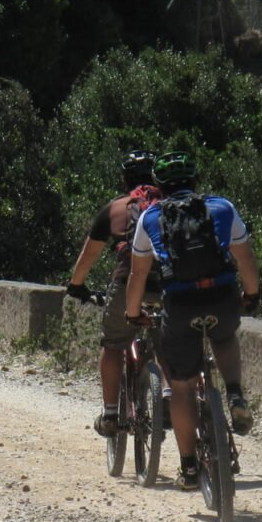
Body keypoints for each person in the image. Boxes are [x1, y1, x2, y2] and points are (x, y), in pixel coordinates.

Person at [124, 152, 261, 490]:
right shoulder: (223, 207)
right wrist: (252, 295)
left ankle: (188, 468)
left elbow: (138, 274)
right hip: (222, 295)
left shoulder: (150, 217)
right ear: (195, 181)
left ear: (159, 186)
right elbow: (245, 258)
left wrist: (132, 312)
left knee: (182, 387)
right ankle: (234, 395)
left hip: (180, 303)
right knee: (225, 337)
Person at [65, 149, 161, 436]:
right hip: (169, 282)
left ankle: (109, 414)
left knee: (113, 344)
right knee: (172, 339)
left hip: (127, 281)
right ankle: (167, 399)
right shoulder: (170, 205)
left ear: (124, 179)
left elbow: (89, 254)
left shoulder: (116, 208)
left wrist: (76, 286)